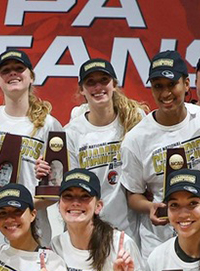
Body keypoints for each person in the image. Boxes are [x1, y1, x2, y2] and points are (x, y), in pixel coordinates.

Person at [121, 50, 200, 258]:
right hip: (161, 242)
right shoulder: (136, 139)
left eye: (171, 84)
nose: (165, 93)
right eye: (158, 86)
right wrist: (150, 206)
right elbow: (134, 195)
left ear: (186, 84)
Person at [0, 49, 62, 247]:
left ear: (31, 77)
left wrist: (22, 206)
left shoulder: (49, 125)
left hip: (32, 224)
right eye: (6, 70)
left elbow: (57, 189)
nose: (13, 73)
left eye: (19, 68)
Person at [63, 58, 148, 245]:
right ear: (81, 90)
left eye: (104, 80)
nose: (98, 87)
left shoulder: (135, 120)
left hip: (128, 232)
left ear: (114, 85)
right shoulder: (71, 133)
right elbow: (73, 188)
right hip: (88, 232)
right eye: (90, 82)